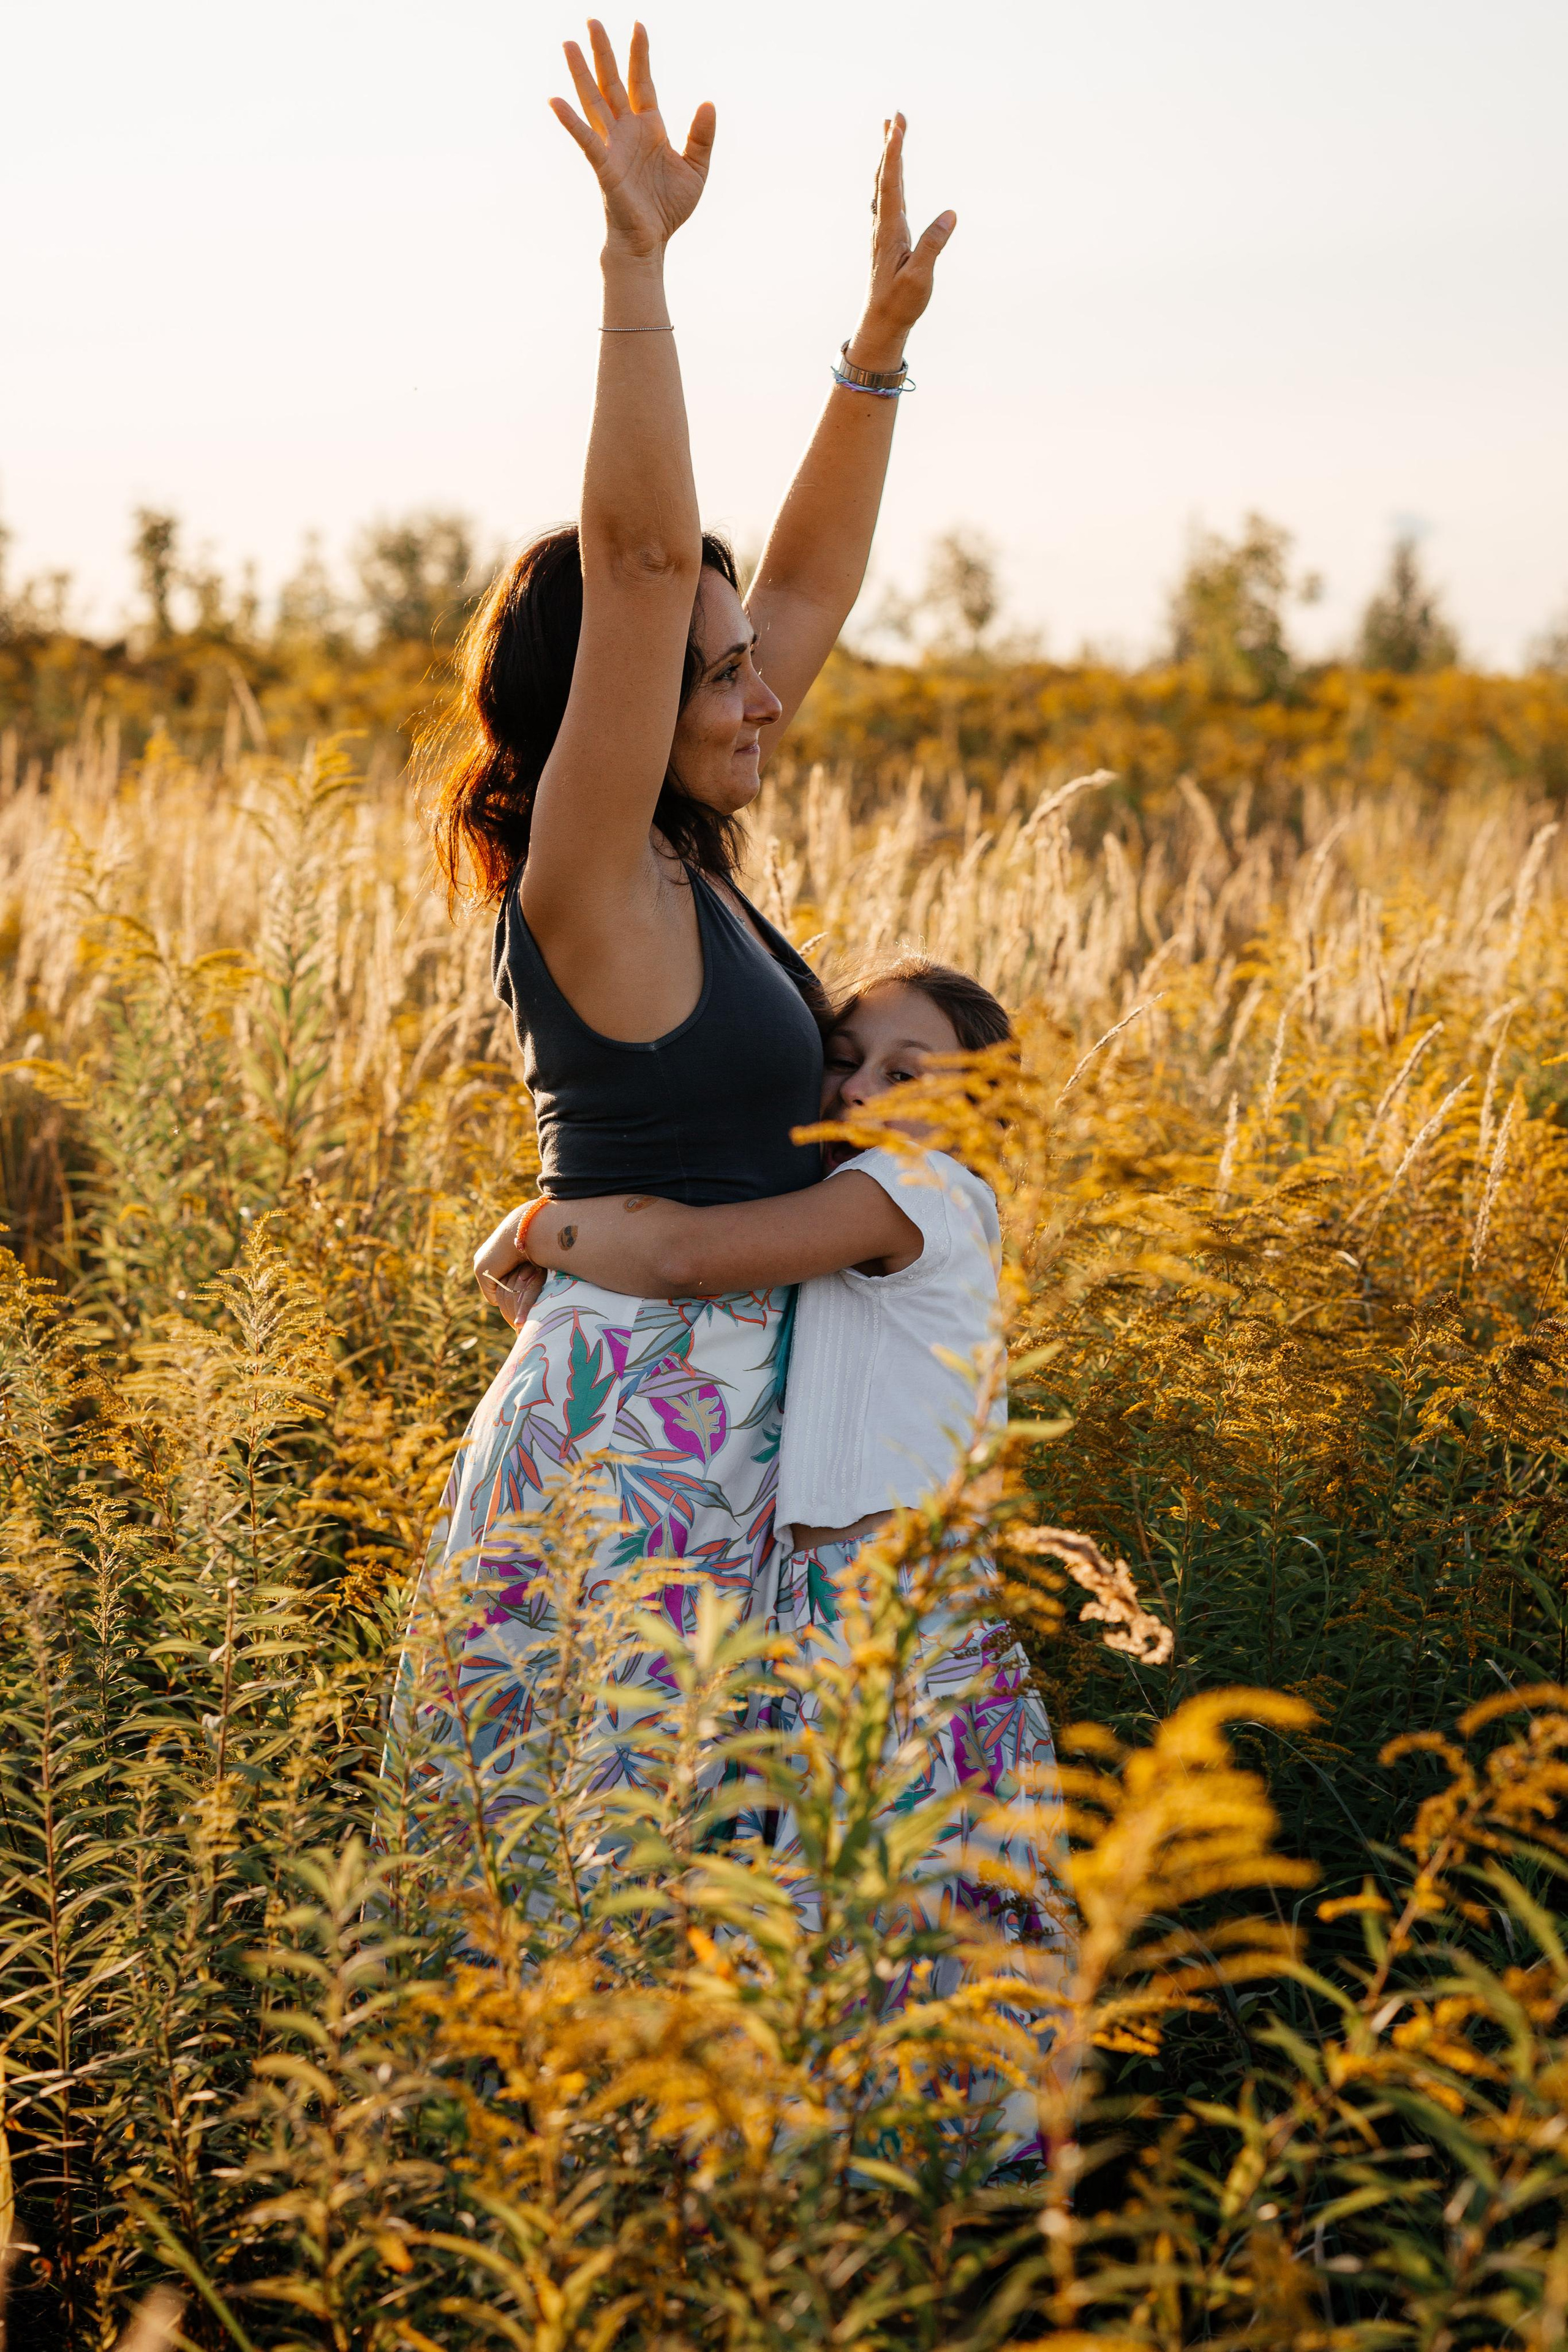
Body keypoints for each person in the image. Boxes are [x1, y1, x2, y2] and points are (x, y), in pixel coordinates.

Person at [396, 23, 956, 1813]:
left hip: (734, 1453)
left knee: (723, 1926)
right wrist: (637, 263)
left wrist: (869, 363)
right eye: (713, 682)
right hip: (631, 1457)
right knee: (593, 1906)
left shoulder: (690, 854)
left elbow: (783, 588)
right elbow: (655, 567)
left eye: (742, 677)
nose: (762, 693)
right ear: (619, 701)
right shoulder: (589, 876)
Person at [478, 957, 1072, 2105]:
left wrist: (539, 1224)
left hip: (902, 1622)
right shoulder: (846, 1223)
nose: (859, 1088)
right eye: (843, 1059)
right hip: (825, 1616)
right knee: (839, 1932)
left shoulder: (921, 1193)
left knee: (918, 1914)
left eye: (909, 1070)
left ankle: (955, 2188)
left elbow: (687, 1258)